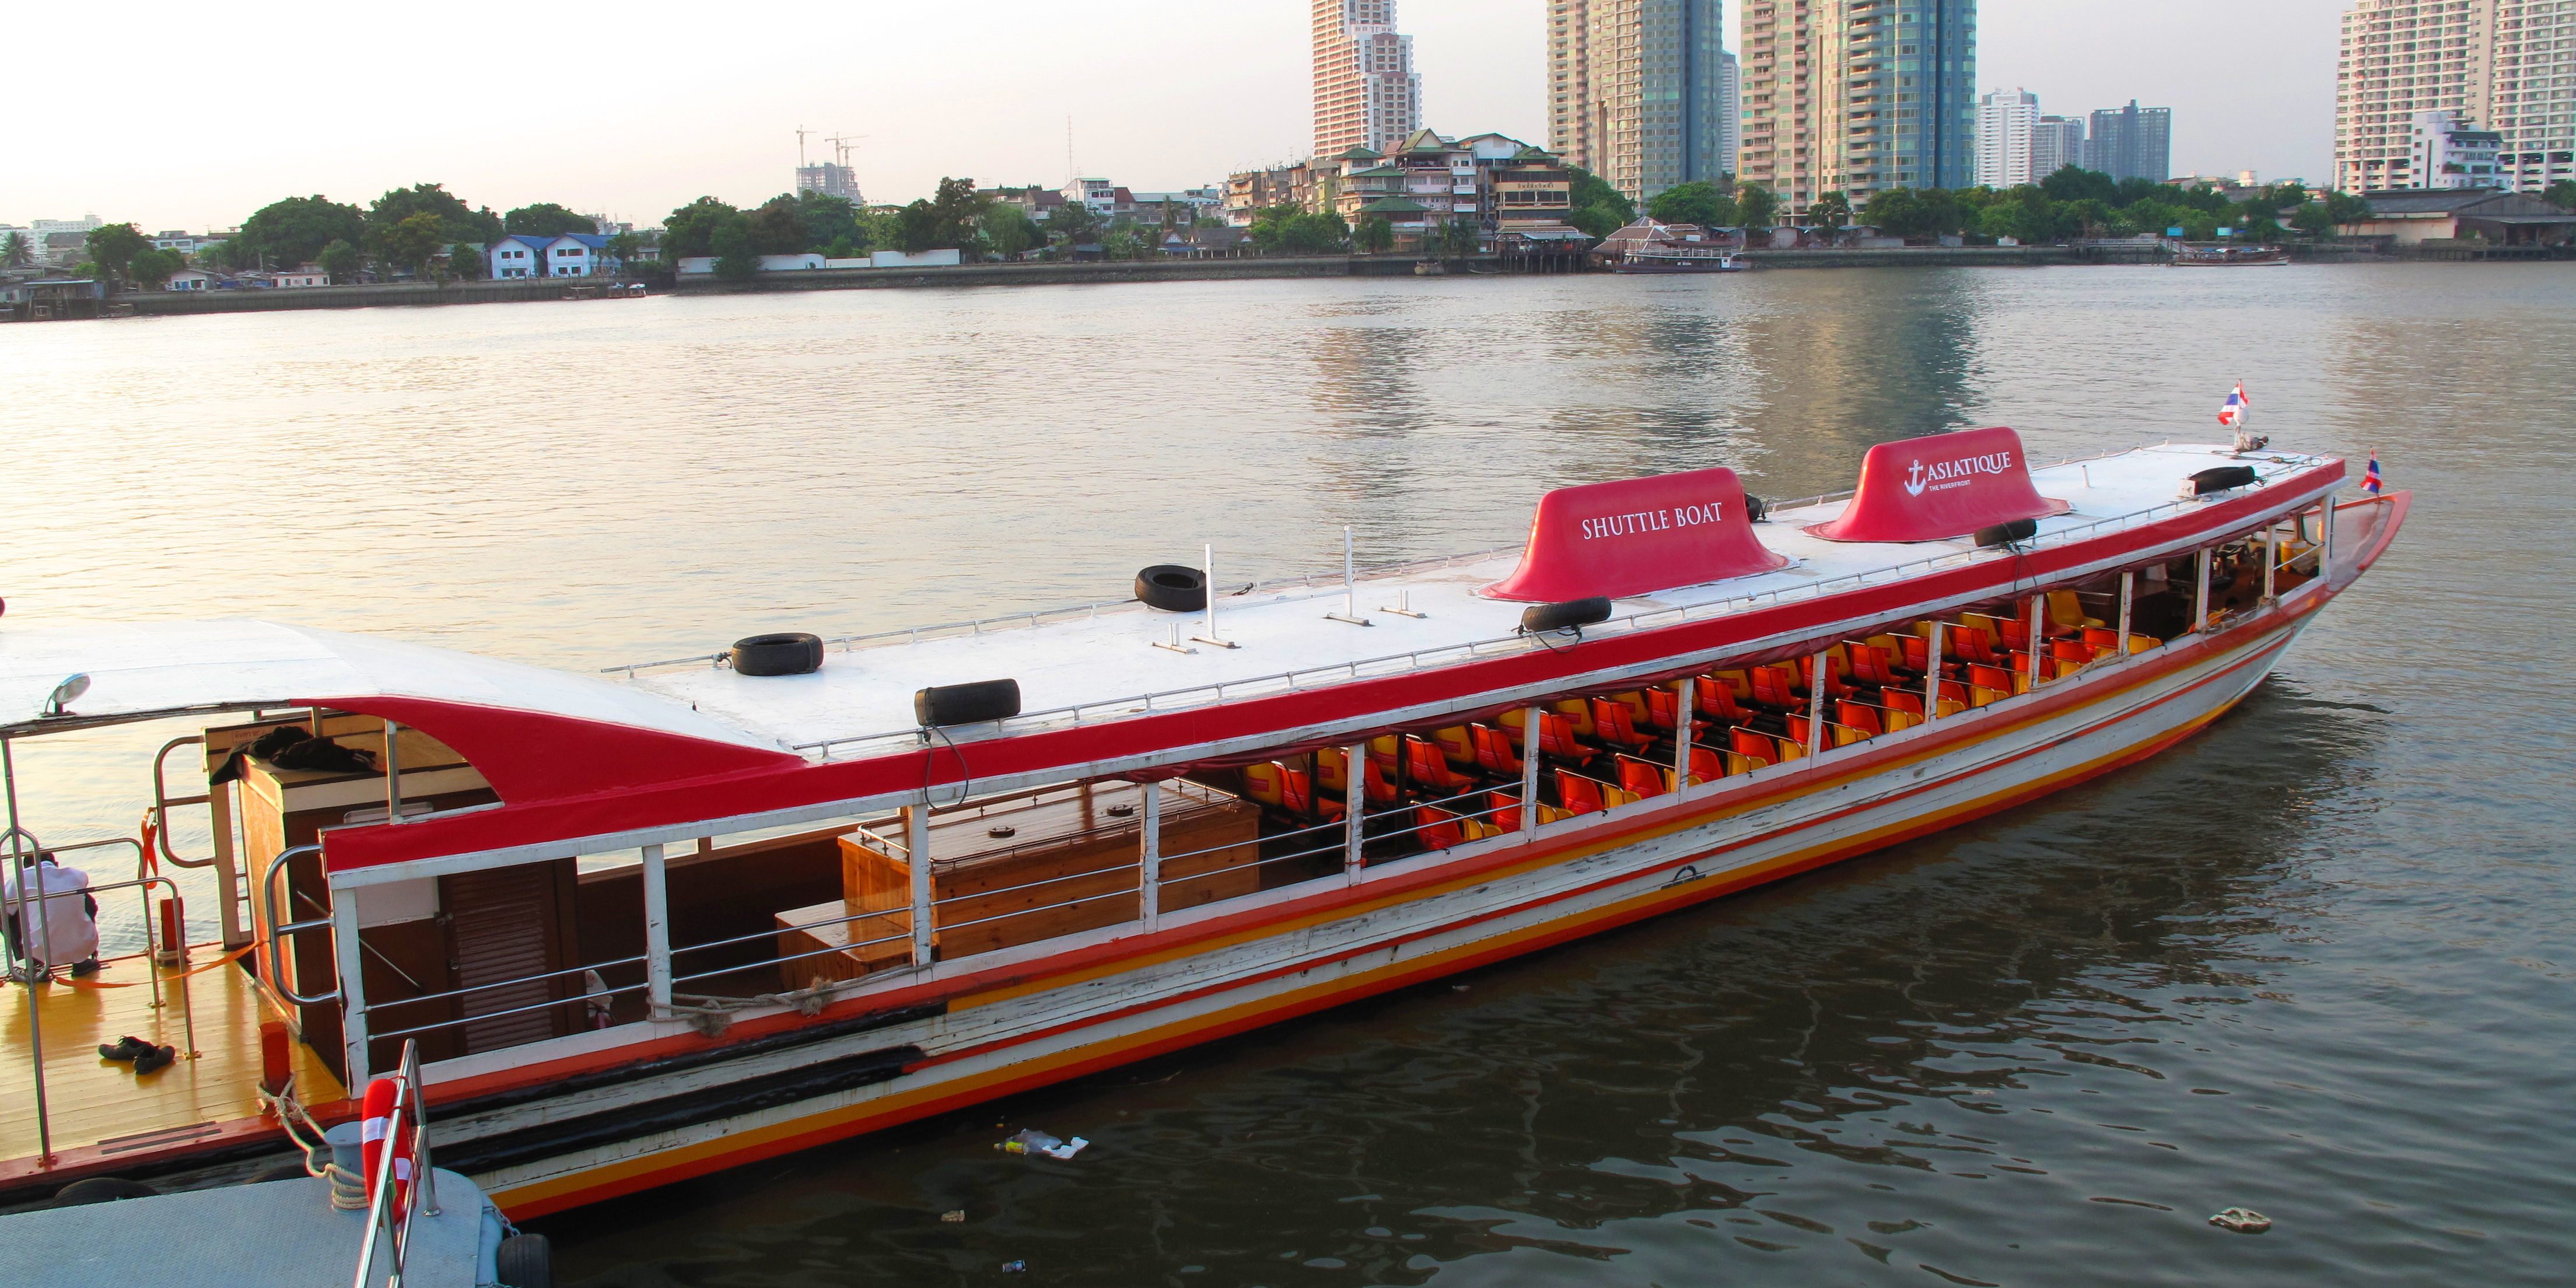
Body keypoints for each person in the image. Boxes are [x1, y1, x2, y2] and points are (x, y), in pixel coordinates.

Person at [2, 852, 100, 982]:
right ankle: (81, 962)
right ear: (57, 864)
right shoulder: (77, 875)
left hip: (40, 950)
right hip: (83, 946)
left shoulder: (20, 877)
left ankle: (35, 966)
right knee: (85, 900)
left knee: (7, 910)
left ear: (25, 868)